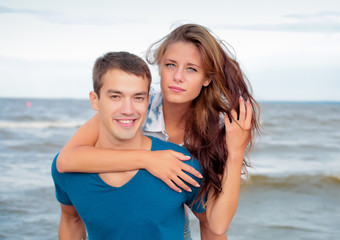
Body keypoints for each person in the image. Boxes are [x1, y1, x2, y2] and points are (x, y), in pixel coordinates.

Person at [57, 23, 260, 239]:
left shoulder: (218, 127)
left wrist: (236, 151)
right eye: (170, 65)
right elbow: (67, 160)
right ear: (160, 67)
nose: (178, 77)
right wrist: (149, 160)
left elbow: (215, 225)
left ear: (207, 78)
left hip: (172, 217)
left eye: (191, 69)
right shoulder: (136, 107)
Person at [51, 51, 206, 239]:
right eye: (115, 96)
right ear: (95, 100)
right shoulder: (68, 169)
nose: (127, 110)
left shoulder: (180, 163)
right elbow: (70, 220)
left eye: (138, 98)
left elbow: (213, 225)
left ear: (148, 100)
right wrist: (146, 159)